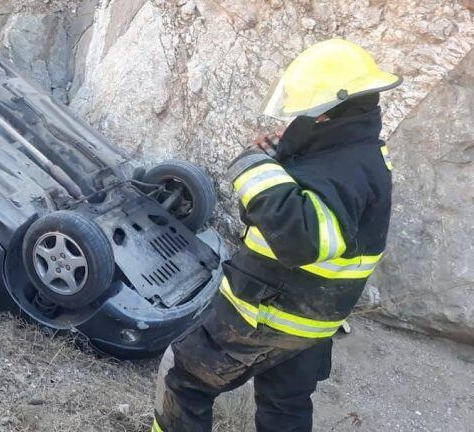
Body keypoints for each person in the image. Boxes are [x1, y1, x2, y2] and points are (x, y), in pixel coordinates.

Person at [152, 39, 401, 432]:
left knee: (181, 376)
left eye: (307, 111)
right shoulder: (363, 154)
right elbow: (280, 216)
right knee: (284, 404)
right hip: (313, 324)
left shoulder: (340, 169)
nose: (298, 119)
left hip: (270, 313)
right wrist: (283, 161)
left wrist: (253, 168)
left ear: (326, 111)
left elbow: (299, 239)